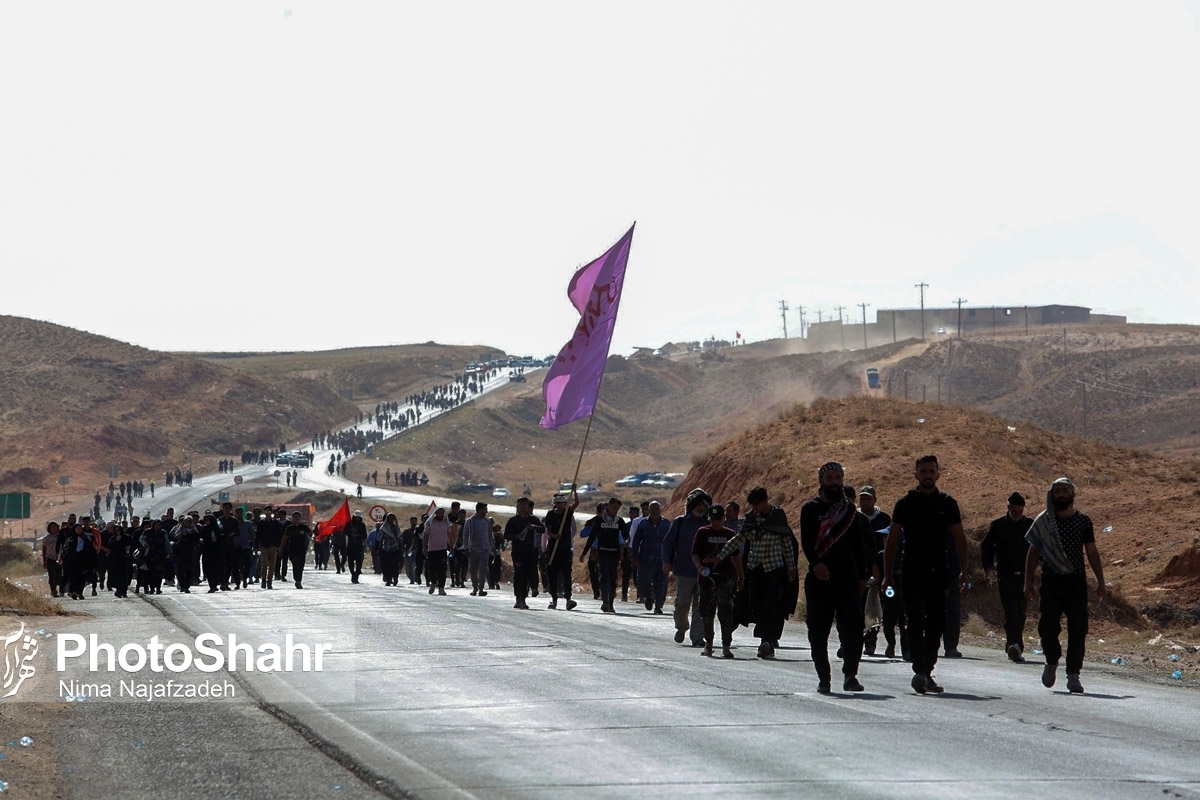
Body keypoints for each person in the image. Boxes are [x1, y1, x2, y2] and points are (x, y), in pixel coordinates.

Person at [883, 455, 969, 695]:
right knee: (914, 621)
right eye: (923, 471)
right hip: (911, 571)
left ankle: (925, 671)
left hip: (939, 572)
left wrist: (963, 571)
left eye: (931, 471)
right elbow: (891, 541)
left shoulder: (948, 503)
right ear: (916, 475)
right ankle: (921, 670)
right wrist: (888, 575)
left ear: (938, 474)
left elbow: (960, 539)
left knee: (936, 623)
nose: (927, 475)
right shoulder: (905, 504)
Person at [1024, 477, 1106, 694]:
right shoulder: (1043, 522)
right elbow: (1033, 552)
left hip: (1076, 582)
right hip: (1051, 582)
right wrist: (1028, 582)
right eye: (1057, 491)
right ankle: (1051, 661)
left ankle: (1073, 676)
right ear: (1052, 495)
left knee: (1078, 630)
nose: (1061, 494)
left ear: (1073, 495)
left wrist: (1101, 582)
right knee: (1048, 628)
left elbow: (1092, 552)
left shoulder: (1083, 522)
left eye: (1064, 490)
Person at [799, 465, 876, 693]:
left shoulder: (850, 512)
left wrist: (863, 576)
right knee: (818, 630)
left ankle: (850, 675)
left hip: (848, 579)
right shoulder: (810, 509)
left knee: (853, 627)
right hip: (820, 579)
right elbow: (806, 542)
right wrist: (816, 563)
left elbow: (860, 547)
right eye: (830, 478)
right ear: (821, 480)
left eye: (838, 478)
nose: (835, 482)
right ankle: (824, 677)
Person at [712, 487, 798, 660]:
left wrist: (791, 568)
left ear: (765, 501)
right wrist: (719, 557)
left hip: (775, 568)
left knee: (771, 604)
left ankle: (766, 642)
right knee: (756, 604)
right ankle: (765, 637)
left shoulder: (778, 517)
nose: (754, 508)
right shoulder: (752, 519)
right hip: (755, 568)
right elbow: (738, 540)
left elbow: (786, 544)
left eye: (756, 504)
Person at [982, 492, 1033, 663]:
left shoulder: (1030, 526)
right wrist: (988, 566)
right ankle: (1014, 645)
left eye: (1020, 512)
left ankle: (1016, 646)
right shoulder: (997, 526)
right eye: (1014, 511)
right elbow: (987, 546)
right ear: (1008, 507)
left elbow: (1039, 548)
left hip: (1025, 577)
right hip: (1005, 576)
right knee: (1011, 611)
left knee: (1021, 612)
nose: (1017, 515)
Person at [693, 504, 744, 658]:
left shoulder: (729, 534)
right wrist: (699, 567)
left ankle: (726, 646)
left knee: (726, 612)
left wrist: (741, 576)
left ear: (723, 518)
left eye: (718, 519)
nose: (715, 523)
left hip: (725, 578)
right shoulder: (702, 532)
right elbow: (695, 553)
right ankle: (709, 644)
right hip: (706, 578)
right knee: (706, 612)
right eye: (713, 519)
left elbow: (736, 557)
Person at [663, 489, 712, 646]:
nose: (701, 508)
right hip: (683, 571)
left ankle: (697, 637)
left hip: (703, 572)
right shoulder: (680, 522)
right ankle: (681, 627)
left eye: (703, 505)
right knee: (682, 604)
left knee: (700, 606)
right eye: (698, 504)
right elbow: (668, 542)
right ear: (691, 505)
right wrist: (666, 561)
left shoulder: (708, 524)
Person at [857, 486, 892, 657]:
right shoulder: (853, 517)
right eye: (862, 498)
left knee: (875, 607)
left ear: (874, 500)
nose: (864, 502)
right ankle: (853, 641)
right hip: (858, 568)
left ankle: (870, 643)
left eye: (868, 499)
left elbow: (890, 543)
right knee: (856, 605)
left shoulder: (884, 519)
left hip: (879, 569)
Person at [580, 497, 630, 613]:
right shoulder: (599, 520)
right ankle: (605, 602)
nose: (616, 510)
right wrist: (584, 553)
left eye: (618, 508)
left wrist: (627, 542)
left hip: (614, 553)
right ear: (608, 506)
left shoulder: (619, 521)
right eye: (614, 507)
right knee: (604, 576)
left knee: (612, 578)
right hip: (602, 552)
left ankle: (611, 603)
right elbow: (592, 537)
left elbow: (625, 535)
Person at [542, 490, 579, 610]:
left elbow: (576, 503)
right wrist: (554, 536)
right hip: (553, 548)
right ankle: (554, 599)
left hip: (565, 548)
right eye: (558, 503)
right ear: (555, 504)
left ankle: (568, 599)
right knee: (552, 574)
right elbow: (548, 530)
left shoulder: (568, 513)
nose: (560, 505)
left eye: (562, 503)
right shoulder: (550, 515)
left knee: (566, 574)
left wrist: (574, 490)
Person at [632, 502, 671, 613]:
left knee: (661, 584)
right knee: (643, 583)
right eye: (652, 508)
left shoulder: (666, 524)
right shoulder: (643, 524)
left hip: (662, 560)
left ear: (660, 510)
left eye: (656, 508)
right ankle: (648, 597)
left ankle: (658, 606)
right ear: (649, 510)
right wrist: (634, 555)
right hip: (645, 560)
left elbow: (671, 542)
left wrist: (671, 558)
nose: (654, 511)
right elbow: (636, 540)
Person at [505, 497, 543, 609]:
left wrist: (534, 527)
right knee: (518, 574)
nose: (523, 506)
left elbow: (543, 529)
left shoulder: (533, 519)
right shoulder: (513, 520)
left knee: (527, 575)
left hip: (530, 551)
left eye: (525, 504)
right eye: (520, 504)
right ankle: (518, 598)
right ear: (517, 506)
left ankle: (524, 598)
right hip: (517, 551)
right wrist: (515, 536)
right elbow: (506, 534)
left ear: (528, 506)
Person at [460, 502, 494, 596]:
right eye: (485, 509)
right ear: (479, 510)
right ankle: (475, 587)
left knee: (483, 569)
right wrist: (466, 548)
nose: (486, 511)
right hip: (473, 550)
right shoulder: (470, 521)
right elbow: (465, 535)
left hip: (485, 549)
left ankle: (481, 589)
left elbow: (490, 535)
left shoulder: (487, 521)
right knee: (473, 569)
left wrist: (492, 547)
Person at [422, 506, 453, 596]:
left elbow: (449, 535)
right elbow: (425, 536)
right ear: (435, 513)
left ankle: (441, 588)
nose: (440, 515)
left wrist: (451, 547)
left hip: (443, 549)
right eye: (438, 513)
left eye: (442, 513)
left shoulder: (446, 523)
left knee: (442, 569)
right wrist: (424, 548)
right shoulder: (430, 523)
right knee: (432, 568)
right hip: (432, 549)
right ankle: (433, 582)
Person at [281, 511, 312, 589]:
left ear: (300, 518)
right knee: (295, 564)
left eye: (297, 517)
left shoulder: (304, 527)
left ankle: (299, 581)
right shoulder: (289, 528)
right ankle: (297, 580)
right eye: (294, 517)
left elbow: (311, 534)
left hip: (302, 549)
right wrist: (281, 548)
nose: (296, 519)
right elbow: (285, 538)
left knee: (301, 566)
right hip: (292, 550)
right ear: (292, 518)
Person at [255, 508, 284, 589]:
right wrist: (256, 546)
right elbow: (258, 535)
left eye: (269, 511)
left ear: (271, 513)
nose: (268, 513)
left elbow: (279, 535)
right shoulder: (262, 523)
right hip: (264, 546)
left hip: (273, 546)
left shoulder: (275, 523)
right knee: (264, 563)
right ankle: (263, 579)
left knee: (272, 565)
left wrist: (279, 546)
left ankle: (269, 581)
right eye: (266, 511)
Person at [377, 513, 404, 587]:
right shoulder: (383, 528)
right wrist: (385, 537)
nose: (391, 520)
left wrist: (399, 539)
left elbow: (400, 537)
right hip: (385, 549)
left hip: (395, 549)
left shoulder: (396, 528)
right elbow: (378, 538)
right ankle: (388, 579)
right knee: (385, 566)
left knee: (395, 565)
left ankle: (395, 578)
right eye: (390, 518)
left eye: (393, 518)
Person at [345, 510, 369, 584]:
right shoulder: (349, 524)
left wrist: (358, 536)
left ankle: (357, 575)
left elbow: (365, 535)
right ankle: (353, 574)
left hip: (359, 546)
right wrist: (351, 534)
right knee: (351, 562)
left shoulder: (362, 525)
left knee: (359, 562)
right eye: (356, 517)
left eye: (359, 517)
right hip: (351, 546)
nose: (358, 519)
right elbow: (345, 532)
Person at [42, 522, 62, 598]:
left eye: (55, 527)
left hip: (59, 558)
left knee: (58, 574)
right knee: (52, 574)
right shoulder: (46, 538)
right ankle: (53, 590)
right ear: (49, 529)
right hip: (50, 558)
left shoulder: (60, 537)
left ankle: (60, 589)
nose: (54, 528)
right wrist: (44, 561)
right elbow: (44, 550)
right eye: (52, 527)